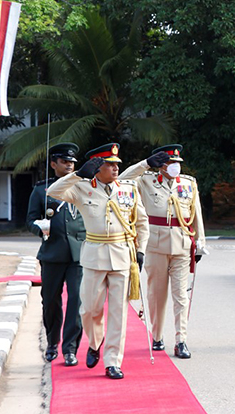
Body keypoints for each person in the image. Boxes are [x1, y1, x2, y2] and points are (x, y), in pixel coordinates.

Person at [47, 143, 149, 379]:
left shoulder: (128, 189)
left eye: (117, 164)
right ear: (96, 167)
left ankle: (113, 361)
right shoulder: (81, 187)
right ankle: (95, 343)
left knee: (118, 313)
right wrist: (77, 174)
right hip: (93, 257)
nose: (115, 169)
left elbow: (141, 223)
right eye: (109, 164)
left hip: (123, 256)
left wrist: (140, 250)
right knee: (89, 310)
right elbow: (52, 191)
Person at [119, 144, 207, 359]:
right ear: (161, 165)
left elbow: (197, 214)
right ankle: (157, 336)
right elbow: (122, 179)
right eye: (170, 163)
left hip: (182, 244)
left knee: (180, 295)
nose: (175, 166)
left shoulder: (188, 184)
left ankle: (181, 340)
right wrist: (146, 164)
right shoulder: (146, 180)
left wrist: (200, 243)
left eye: (177, 163)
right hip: (155, 246)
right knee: (156, 294)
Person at [26, 143, 85, 366]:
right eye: (64, 162)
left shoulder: (83, 186)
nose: (69, 165)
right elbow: (30, 220)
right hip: (52, 254)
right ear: (54, 164)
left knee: (76, 302)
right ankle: (52, 342)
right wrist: (39, 227)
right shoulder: (42, 190)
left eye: (72, 162)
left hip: (78, 255)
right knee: (50, 302)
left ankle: (70, 348)